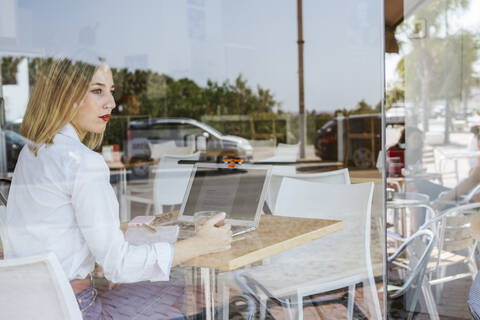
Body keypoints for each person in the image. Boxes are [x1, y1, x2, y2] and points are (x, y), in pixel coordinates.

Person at [1, 58, 233, 319]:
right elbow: (119, 266)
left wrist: (103, 261)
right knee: (194, 293)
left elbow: (52, 233)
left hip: (24, 309)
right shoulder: (82, 162)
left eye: (111, 91)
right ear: (64, 96)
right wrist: (199, 244)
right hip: (78, 309)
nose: (111, 102)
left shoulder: (31, 153)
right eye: (97, 90)